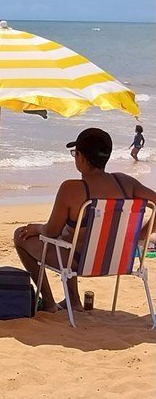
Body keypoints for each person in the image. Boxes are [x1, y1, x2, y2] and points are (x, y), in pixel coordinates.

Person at [14, 128, 156, 312]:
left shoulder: (71, 189)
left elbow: (51, 232)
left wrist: (38, 228)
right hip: (118, 261)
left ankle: (49, 302)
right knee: (70, 234)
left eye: (75, 153)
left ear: (81, 158)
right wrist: (141, 235)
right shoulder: (126, 183)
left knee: (21, 235)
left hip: (79, 263)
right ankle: (73, 301)